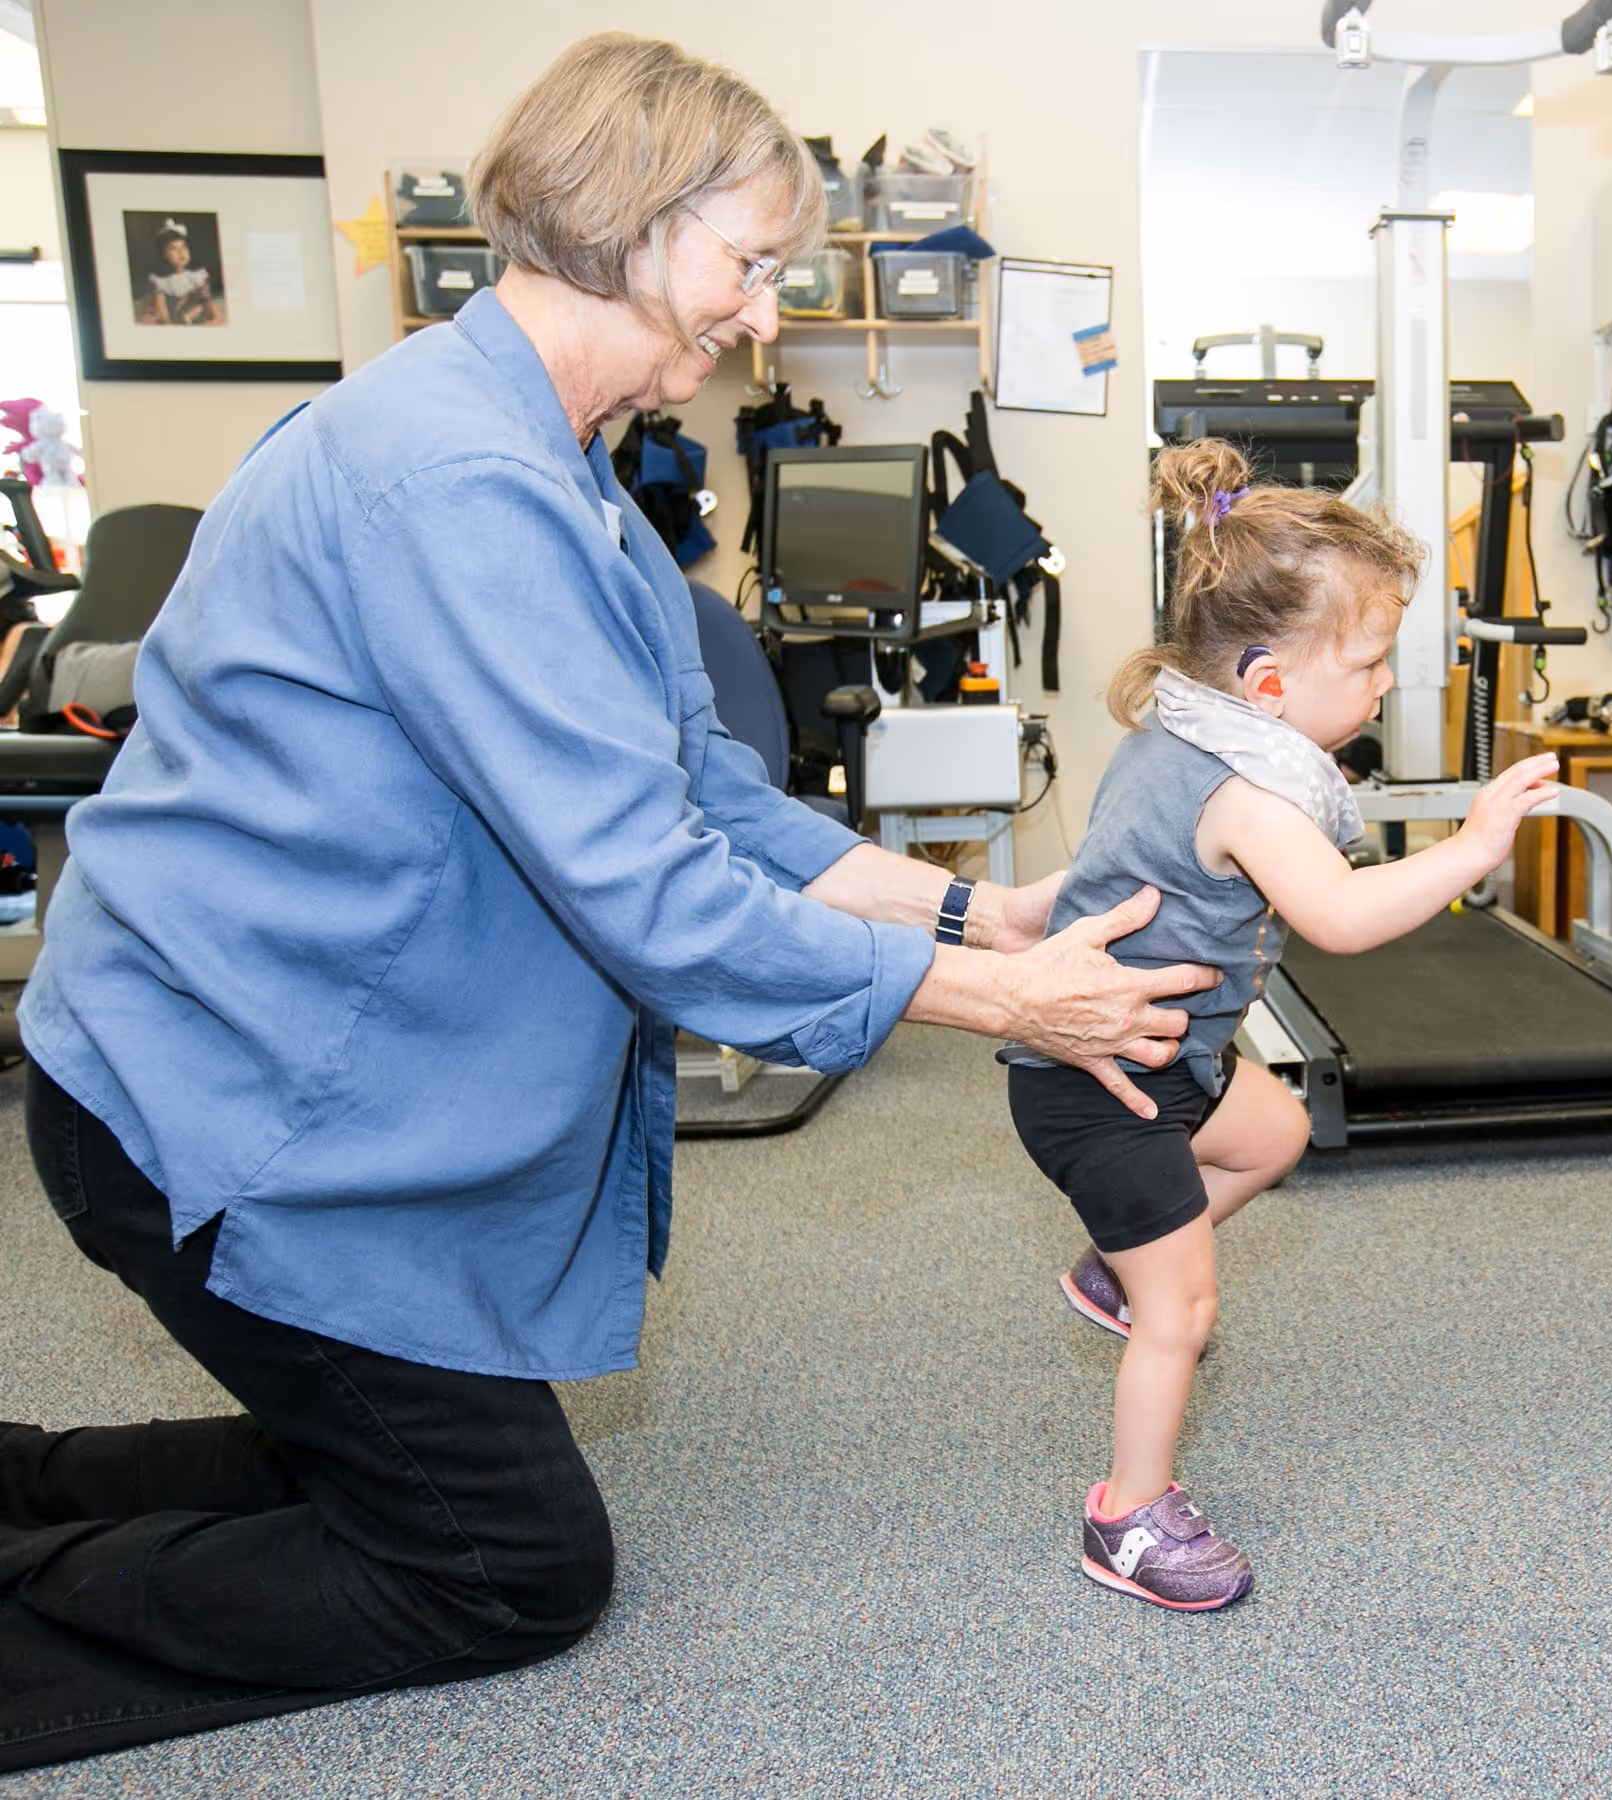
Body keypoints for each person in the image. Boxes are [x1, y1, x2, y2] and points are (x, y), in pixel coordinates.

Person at [0, 35, 1214, 1773]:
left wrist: (967, 925)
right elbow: (651, 895)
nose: (763, 316)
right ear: (634, 226)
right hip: (228, 1111)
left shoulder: (542, 451)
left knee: (387, 1453)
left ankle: (19, 1481)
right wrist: (1013, 1012)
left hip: (258, 1067)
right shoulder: (460, 479)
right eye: (751, 261)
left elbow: (701, 793)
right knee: (500, 1566)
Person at [1006, 440, 1558, 1610]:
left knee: (1273, 1135)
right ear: (1265, 684)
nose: (1384, 689)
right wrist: (1471, 848)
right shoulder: (1242, 788)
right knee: (1188, 1310)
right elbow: (1343, 916)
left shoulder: (1183, 730)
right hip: (1103, 1078)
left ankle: (1116, 1271)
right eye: (1366, 666)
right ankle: (1127, 1516)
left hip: (1175, 1053)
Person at [136, 225, 225, 327]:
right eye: (173, 248)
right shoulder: (159, 281)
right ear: (163, 254)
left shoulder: (197, 275)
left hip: (187, 314)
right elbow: (164, 318)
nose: (181, 252)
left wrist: (215, 317)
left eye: (184, 246)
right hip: (166, 317)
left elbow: (207, 302)